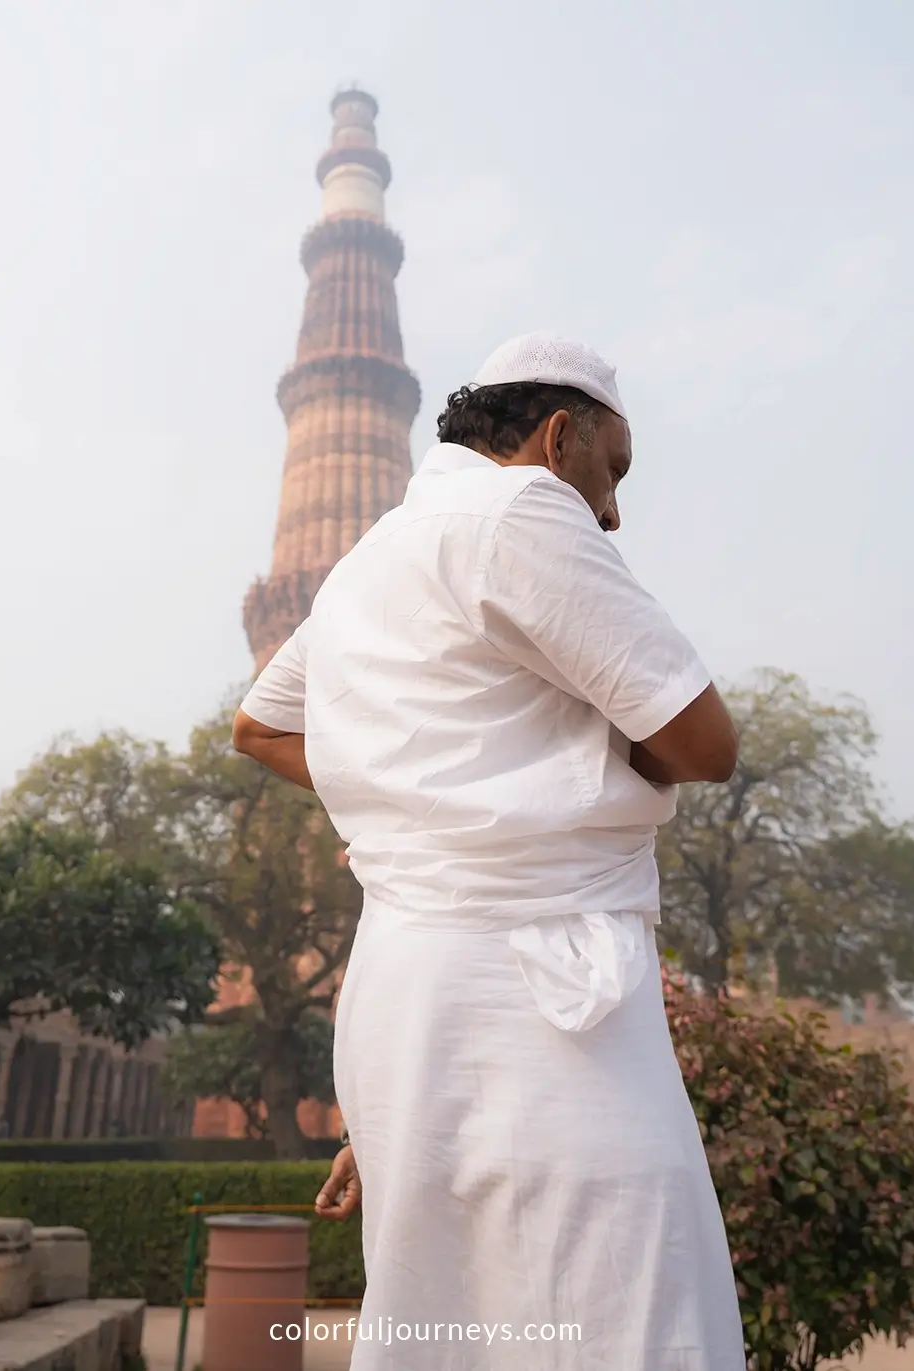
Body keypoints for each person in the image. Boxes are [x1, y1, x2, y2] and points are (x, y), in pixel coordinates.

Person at [234, 334, 745, 1369]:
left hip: (408, 998)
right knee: (627, 1303)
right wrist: (552, 787)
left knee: (447, 1313)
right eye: (613, 469)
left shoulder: (376, 553)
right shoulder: (524, 512)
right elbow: (705, 745)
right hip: (544, 988)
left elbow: (260, 725)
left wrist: (423, 811)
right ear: (560, 439)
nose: (612, 510)